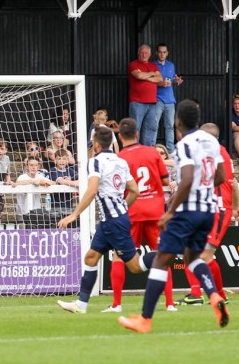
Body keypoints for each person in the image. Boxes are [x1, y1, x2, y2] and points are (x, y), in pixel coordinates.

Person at [119, 99, 228, 333]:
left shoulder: (184, 145)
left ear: (177, 121)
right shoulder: (210, 140)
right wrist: (204, 189)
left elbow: (187, 179)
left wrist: (169, 211)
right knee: (193, 258)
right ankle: (215, 297)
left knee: (161, 260)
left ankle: (145, 319)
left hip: (188, 210)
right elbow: (220, 175)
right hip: (208, 210)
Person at [56, 126, 155, 314]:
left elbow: (92, 190)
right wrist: (122, 207)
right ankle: (81, 305)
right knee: (91, 257)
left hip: (113, 221)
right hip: (112, 219)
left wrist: (74, 214)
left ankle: (172, 251)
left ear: (96, 144)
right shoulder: (120, 161)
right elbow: (134, 190)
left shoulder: (95, 162)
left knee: (135, 266)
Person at [102, 117, 176, 313]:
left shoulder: (120, 159)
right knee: (162, 256)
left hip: (132, 211)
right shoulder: (153, 153)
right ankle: (170, 303)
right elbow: (166, 180)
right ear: (137, 134)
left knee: (119, 257)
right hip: (155, 212)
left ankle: (117, 304)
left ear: (120, 136)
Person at [176, 123, 239, 306]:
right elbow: (234, 182)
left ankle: (197, 294)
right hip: (215, 209)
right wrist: (236, 207)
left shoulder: (210, 152)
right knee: (197, 252)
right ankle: (217, 295)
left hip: (218, 210)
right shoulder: (222, 153)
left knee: (199, 255)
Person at [128, 44, 163, 146]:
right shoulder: (133, 64)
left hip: (152, 102)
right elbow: (139, 75)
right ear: (138, 54)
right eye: (142, 53)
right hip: (137, 102)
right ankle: (134, 150)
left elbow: (160, 79)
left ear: (150, 54)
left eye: (146, 53)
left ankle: (147, 151)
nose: (144, 55)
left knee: (151, 128)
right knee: (135, 128)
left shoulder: (153, 66)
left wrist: (146, 76)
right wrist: (152, 75)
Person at [154, 43, 183, 154]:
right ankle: (153, 148)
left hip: (170, 100)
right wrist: (160, 83)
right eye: (160, 52)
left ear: (167, 53)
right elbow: (150, 81)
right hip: (157, 98)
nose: (162, 54)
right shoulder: (153, 65)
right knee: (154, 125)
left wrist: (177, 81)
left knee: (170, 126)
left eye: (164, 52)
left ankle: (170, 151)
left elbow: (172, 79)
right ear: (157, 53)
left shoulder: (171, 65)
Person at [15, 156, 53, 222]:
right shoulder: (22, 177)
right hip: (22, 212)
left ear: (39, 167)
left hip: (36, 211)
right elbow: (17, 183)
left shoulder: (39, 176)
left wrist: (41, 182)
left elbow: (53, 183)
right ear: (27, 166)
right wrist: (32, 181)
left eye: (36, 165)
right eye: (31, 165)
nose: (33, 167)